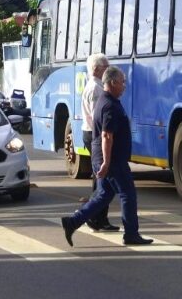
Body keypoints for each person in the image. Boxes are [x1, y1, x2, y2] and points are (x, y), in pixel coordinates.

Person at [62, 66, 153, 246]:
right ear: (112, 83)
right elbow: (106, 135)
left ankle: (73, 222)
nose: (124, 86)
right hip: (112, 160)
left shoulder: (106, 101)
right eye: (122, 82)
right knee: (127, 194)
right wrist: (106, 162)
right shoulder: (109, 105)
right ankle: (131, 234)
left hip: (106, 158)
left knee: (103, 195)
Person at [81, 53, 118, 232]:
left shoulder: (94, 86)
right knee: (102, 179)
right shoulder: (96, 89)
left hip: (92, 134)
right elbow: (100, 117)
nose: (108, 71)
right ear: (96, 69)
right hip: (94, 135)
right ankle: (95, 217)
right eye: (105, 68)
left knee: (100, 178)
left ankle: (96, 217)